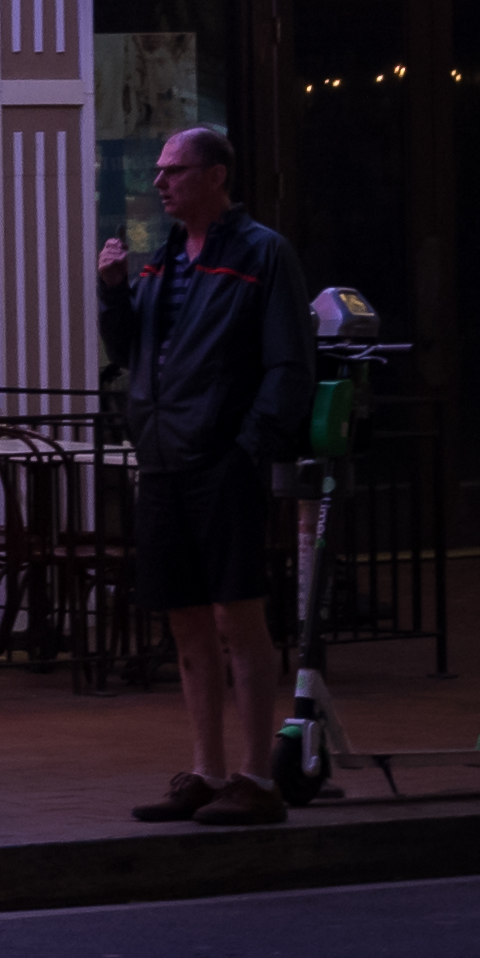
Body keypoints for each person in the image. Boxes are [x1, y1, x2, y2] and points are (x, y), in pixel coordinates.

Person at [98, 124, 311, 827]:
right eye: (158, 171)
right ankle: (207, 770)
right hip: (163, 457)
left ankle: (256, 776)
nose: (159, 182)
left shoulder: (261, 253)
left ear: (215, 175)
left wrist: (247, 447)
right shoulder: (161, 260)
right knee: (185, 618)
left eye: (174, 170)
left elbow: (287, 363)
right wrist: (113, 294)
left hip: (220, 459)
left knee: (236, 614)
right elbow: (133, 350)